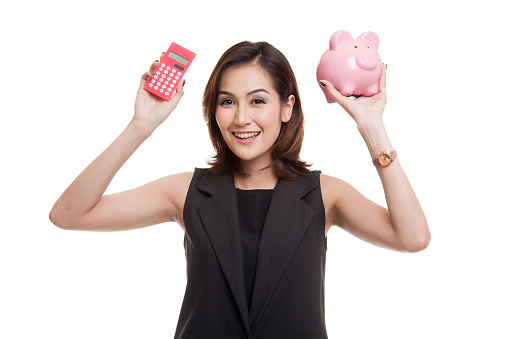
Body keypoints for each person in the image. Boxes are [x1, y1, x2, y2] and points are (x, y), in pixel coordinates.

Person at [49, 41, 430, 339]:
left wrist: (371, 126)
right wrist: (141, 125)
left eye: (258, 101)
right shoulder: (185, 191)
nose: (241, 118)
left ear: (287, 107)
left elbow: (412, 237)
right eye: (227, 102)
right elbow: (69, 214)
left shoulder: (324, 194)